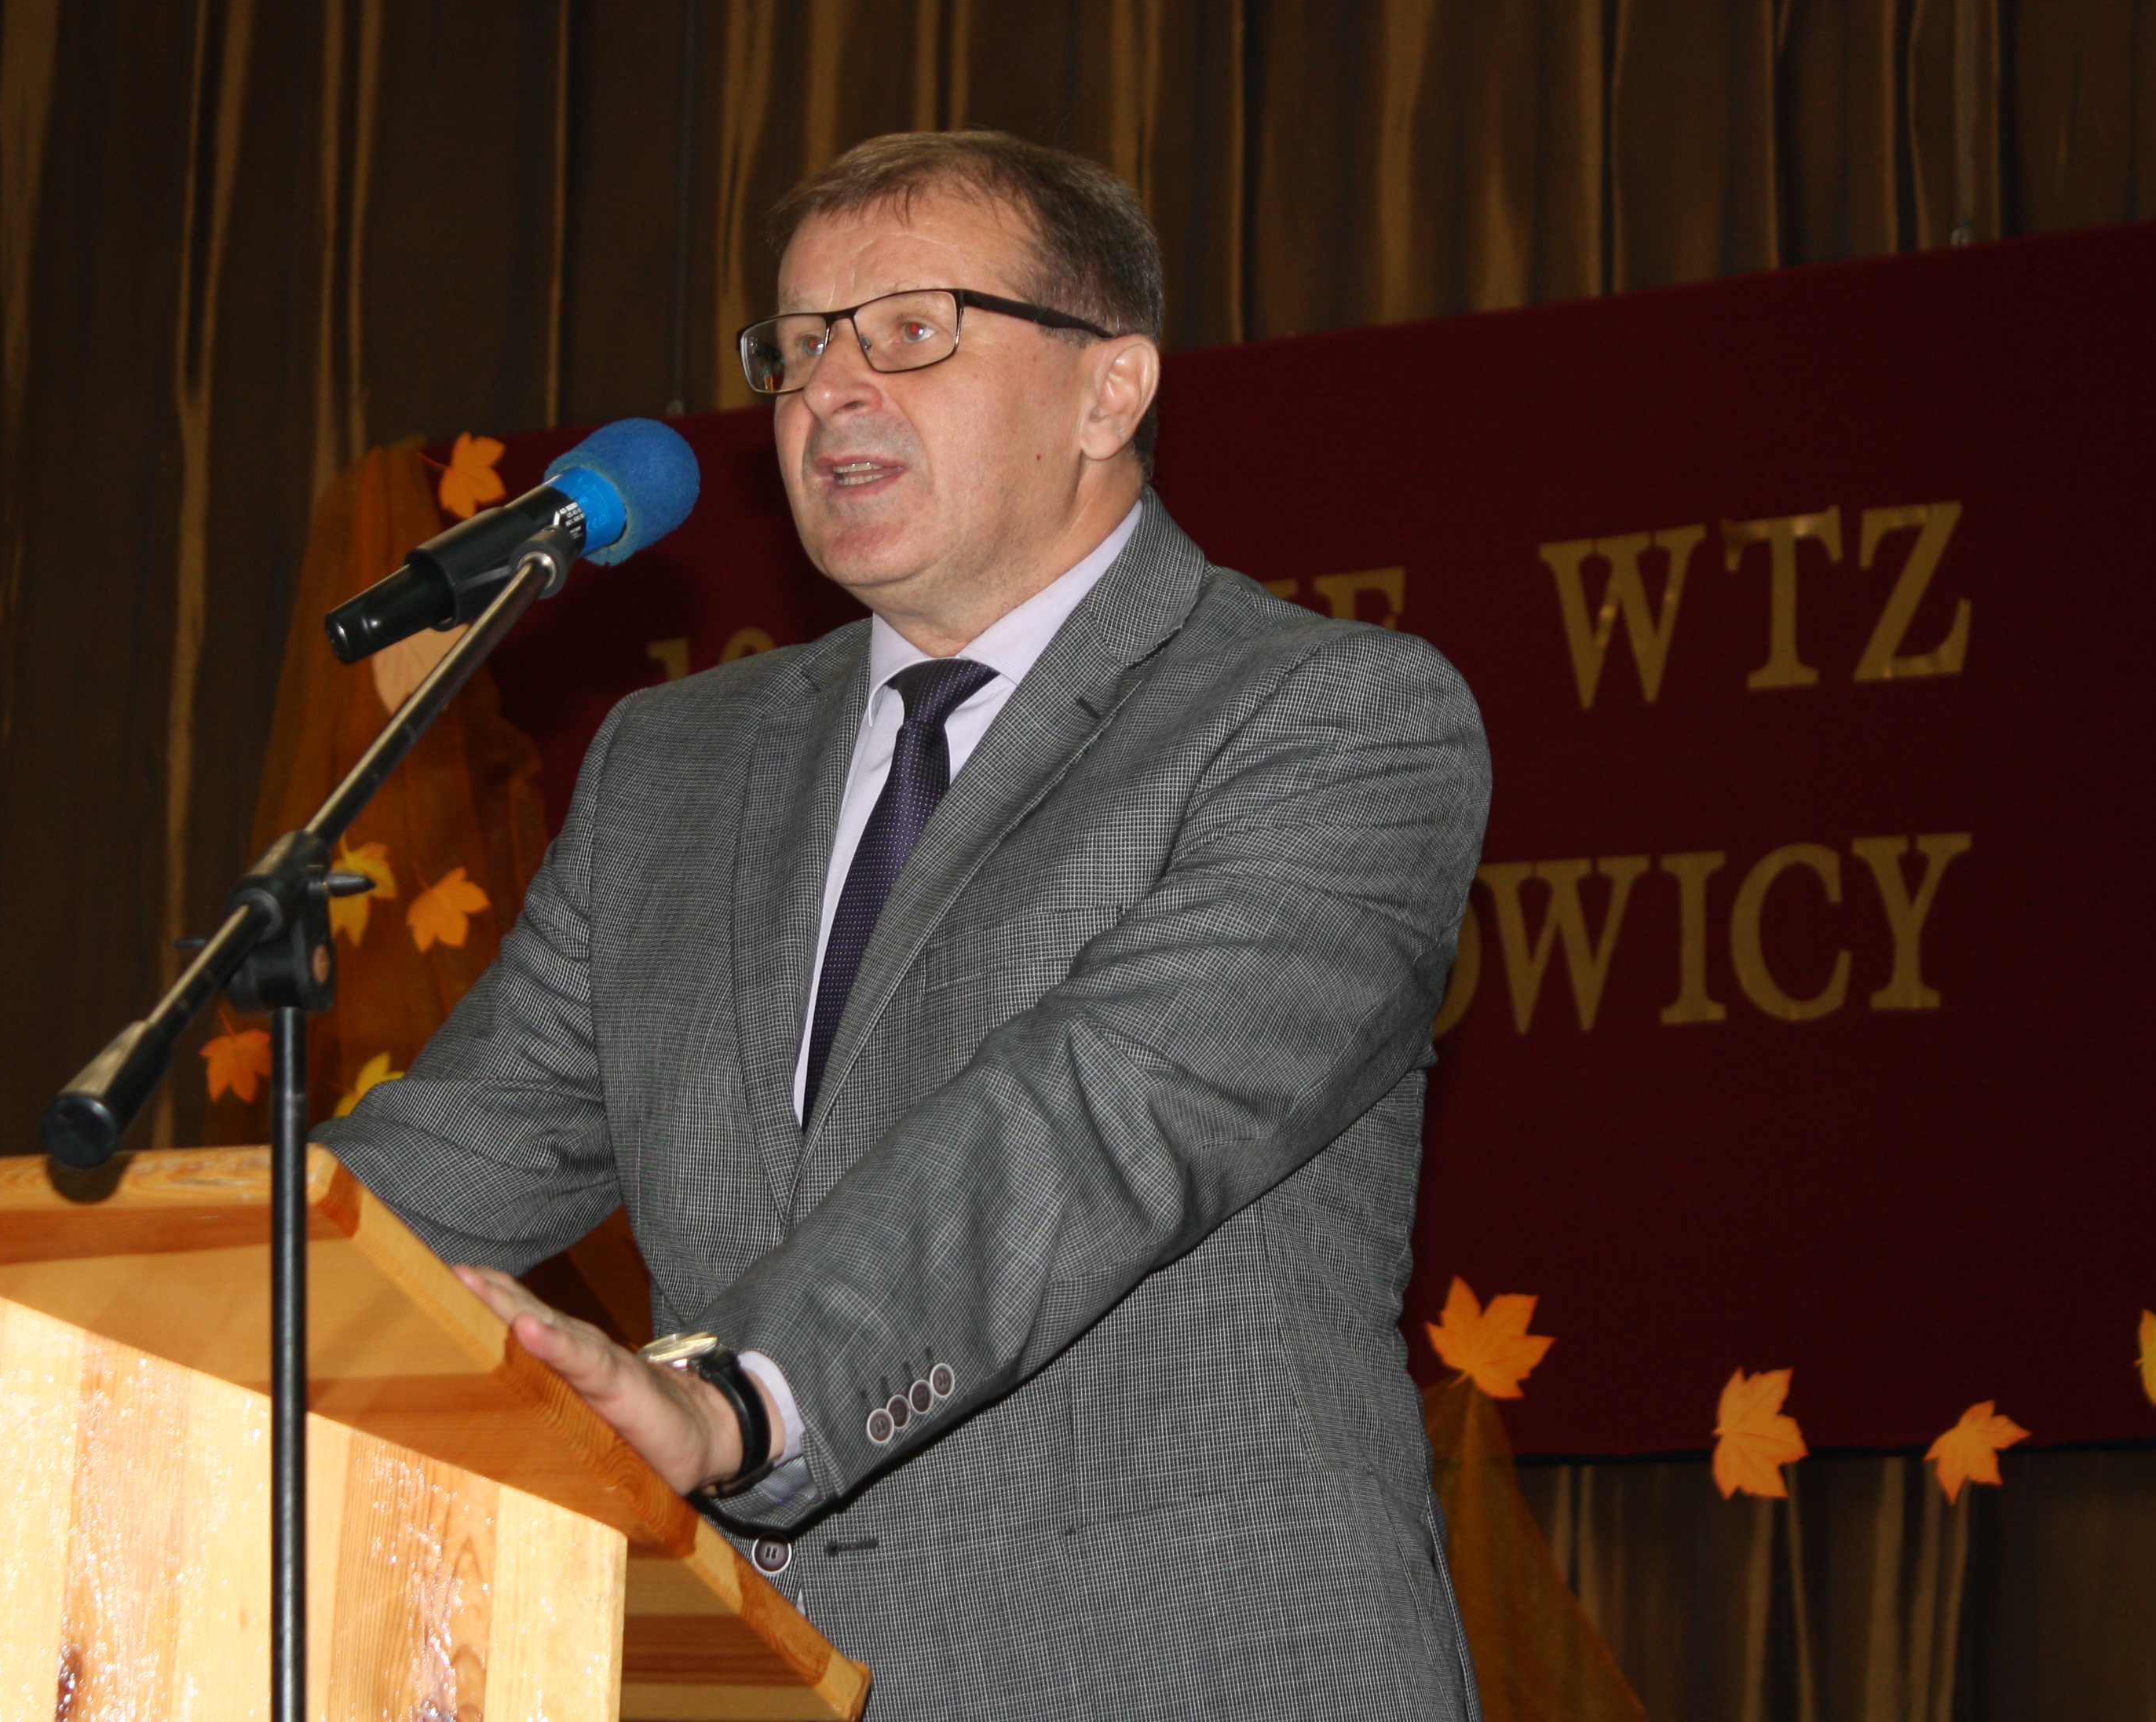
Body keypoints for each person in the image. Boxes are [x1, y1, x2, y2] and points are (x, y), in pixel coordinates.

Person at [319, 130, 1489, 1720]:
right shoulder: (675, 769)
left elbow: (1098, 1116)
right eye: (800, 346)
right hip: (744, 1682)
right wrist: (135, 1287)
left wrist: (742, 1400)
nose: (831, 392)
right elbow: (463, 1150)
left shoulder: (1333, 723)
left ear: (1111, 390)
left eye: (913, 332)